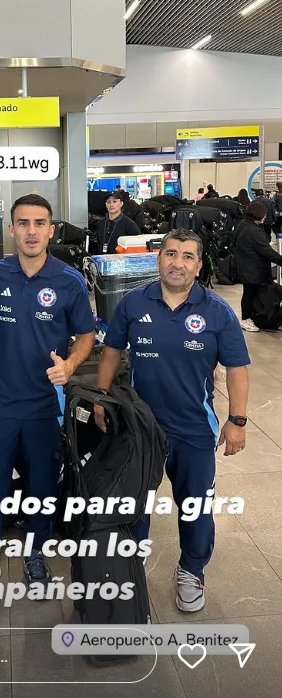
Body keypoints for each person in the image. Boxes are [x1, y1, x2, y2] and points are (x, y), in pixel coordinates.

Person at [95, 228, 250, 612]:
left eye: (187, 256)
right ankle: (132, 564)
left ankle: (192, 569)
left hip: (194, 429)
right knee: (134, 504)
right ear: (158, 258)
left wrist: (237, 420)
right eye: (171, 253)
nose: (177, 262)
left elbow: (237, 367)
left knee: (195, 505)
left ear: (198, 266)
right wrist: (101, 398)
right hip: (140, 427)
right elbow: (111, 352)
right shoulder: (133, 302)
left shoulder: (217, 311)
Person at [0, 194, 96, 606]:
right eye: (23, 223)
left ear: (51, 230)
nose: (32, 231)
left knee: (41, 488)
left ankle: (35, 553)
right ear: (12, 229)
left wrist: (70, 365)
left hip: (46, 407)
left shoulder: (69, 281)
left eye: (40, 223)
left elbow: (86, 336)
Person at [233, 200, 282, 332]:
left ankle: (251, 317)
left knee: (250, 293)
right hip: (253, 268)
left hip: (246, 266)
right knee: (250, 293)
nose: (266, 217)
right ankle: (246, 319)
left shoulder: (243, 224)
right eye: (264, 214)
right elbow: (267, 251)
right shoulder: (253, 231)